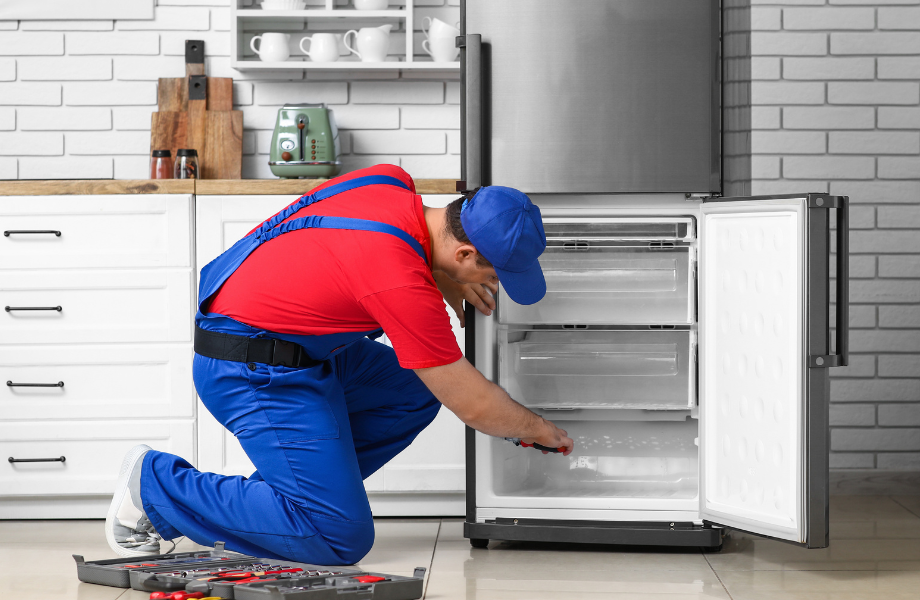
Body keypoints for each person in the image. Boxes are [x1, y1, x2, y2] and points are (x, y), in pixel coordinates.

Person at [103, 165, 575, 563]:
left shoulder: (390, 182)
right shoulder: (400, 283)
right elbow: (472, 405)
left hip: (301, 347)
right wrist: (540, 429)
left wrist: (449, 277)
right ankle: (154, 485)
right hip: (250, 369)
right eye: (491, 272)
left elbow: (365, 250)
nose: (494, 282)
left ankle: (273, 509)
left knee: (411, 393)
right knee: (339, 537)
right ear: (466, 252)